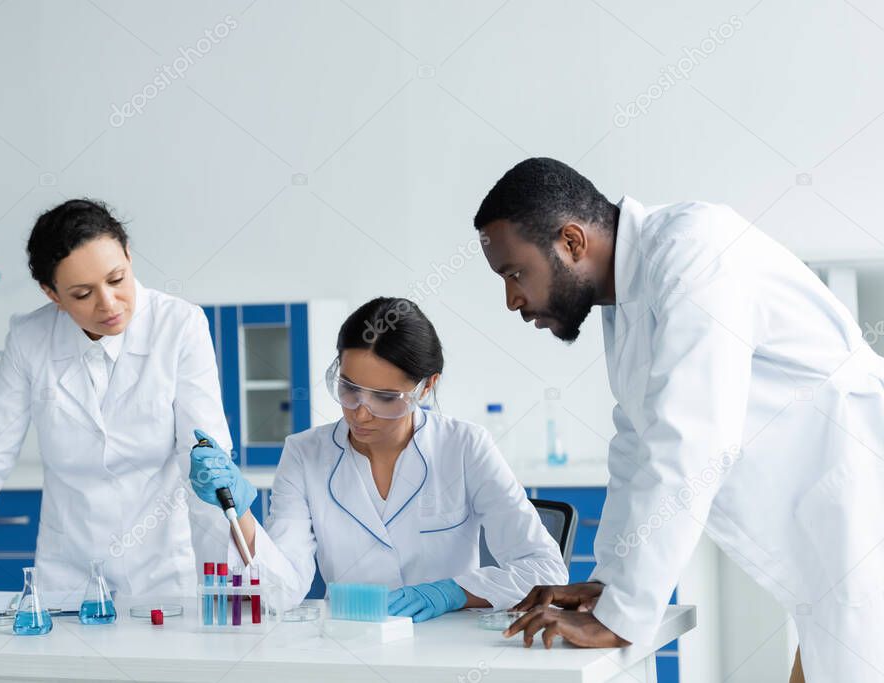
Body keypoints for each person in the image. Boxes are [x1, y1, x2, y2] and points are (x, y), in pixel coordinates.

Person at [474, 157, 884, 681]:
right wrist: (610, 586)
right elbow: (636, 446)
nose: (512, 300)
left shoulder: (694, 253)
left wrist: (623, 617)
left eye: (514, 272)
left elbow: (691, 441)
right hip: (835, 545)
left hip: (862, 522)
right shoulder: (628, 298)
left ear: (571, 242)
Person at [0, 199, 231, 600]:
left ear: (127, 254)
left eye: (117, 278)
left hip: (164, 572)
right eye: (82, 293)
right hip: (69, 573)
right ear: (51, 293)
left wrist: (229, 579)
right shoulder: (29, 339)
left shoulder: (179, 324)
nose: (108, 303)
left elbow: (204, 461)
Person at [189, 297, 568, 621]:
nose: (361, 412)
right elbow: (282, 591)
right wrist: (240, 514)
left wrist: (453, 592)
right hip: (349, 642)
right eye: (350, 389)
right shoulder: (305, 453)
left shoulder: (465, 446)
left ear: (427, 386)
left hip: (449, 647)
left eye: (385, 397)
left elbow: (545, 569)